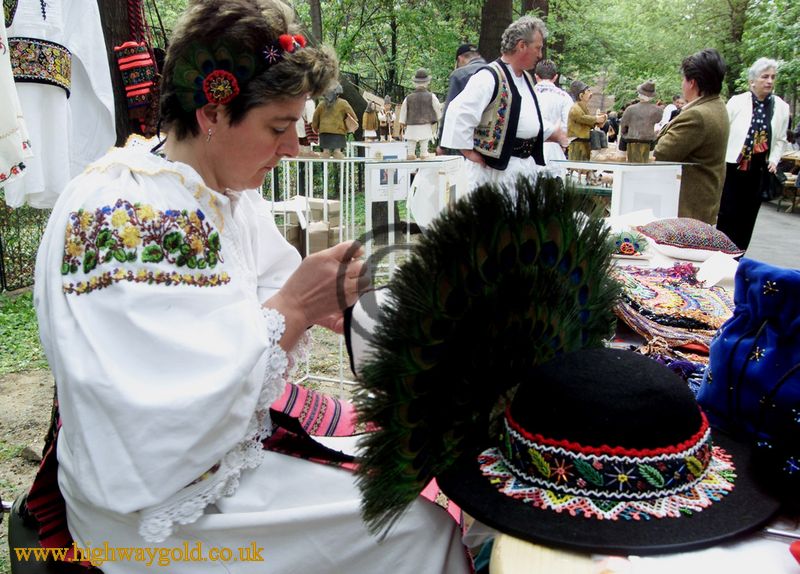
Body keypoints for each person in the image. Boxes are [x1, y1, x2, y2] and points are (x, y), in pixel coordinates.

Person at [31, 1, 471, 572]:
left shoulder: (220, 191)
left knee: (420, 471)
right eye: (278, 127)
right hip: (149, 506)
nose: (292, 147)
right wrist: (293, 308)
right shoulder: (124, 214)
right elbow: (157, 416)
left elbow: (274, 283)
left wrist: (328, 302)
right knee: (416, 527)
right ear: (214, 111)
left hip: (212, 449)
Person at [440, 16, 565, 192]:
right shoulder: (489, 77)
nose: (540, 55)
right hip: (493, 174)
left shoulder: (527, 79)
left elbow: (523, 120)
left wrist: (552, 132)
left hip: (522, 170)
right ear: (522, 46)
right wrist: (469, 153)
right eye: (538, 48)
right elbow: (457, 112)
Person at [717, 57, 790, 250]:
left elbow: (781, 139)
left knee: (747, 217)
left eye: (773, 77)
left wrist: (774, 159)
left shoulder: (781, 107)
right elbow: (722, 132)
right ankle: (720, 254)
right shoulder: (737, 102)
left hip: (759, 169)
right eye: (765, 77)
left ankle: (738, 257)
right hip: (733, 166)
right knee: (727, 214)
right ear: (753, 81)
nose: (769, 81)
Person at [654, 48, 729, 224]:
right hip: (704, 207)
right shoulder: (717, 106)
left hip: (689, 213)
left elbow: (661, 154)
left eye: (683, 79)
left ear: (692, 83)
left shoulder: (698, 115)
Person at [436, 43, 487, 155]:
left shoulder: (460, 75)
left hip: (465, 140)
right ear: (477, 55)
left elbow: (450, 110)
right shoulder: (495, 72)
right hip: (490, 140)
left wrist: (442, 144)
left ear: (460, 59)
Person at [533, 59, 573, 176]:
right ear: (555, 77)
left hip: (529, 149)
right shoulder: (564, 97)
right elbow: (568, 125)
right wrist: (564, 143)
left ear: (536, 76)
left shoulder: (527, 93)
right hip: (555, 150)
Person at [399, 68, 441, 159]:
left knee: (411, 142)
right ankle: (424, 153)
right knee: (424, 141)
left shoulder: (408, 98)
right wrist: (438, 118)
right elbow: (437, 108)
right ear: (427, 82)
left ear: (414, 83)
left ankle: (410, 153)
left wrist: (402, 121)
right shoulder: (431, 96)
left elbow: (403, 110)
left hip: (411, 124)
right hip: (425, 124)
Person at [619, 80, 663, 162]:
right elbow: (658, 120)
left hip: (632, 139)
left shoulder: (630, 109)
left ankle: (621, 157)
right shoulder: (658, 110)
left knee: (627, 155)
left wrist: (624, 133)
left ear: (640, 94)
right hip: (649, 139)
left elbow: (623, 125)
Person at [312, 82, 357, 158]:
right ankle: (337, 152)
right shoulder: (343, 103)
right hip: (338, 131)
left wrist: (315, 127)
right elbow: (352, 114)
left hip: (324, 131)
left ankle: (325, 153)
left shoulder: (321, 104)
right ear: (338, 93)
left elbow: (315, 117)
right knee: (338, 148)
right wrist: (354, 121)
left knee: (325, 149)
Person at [567, 80, 606, 161]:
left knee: (600, 133)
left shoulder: (584, 107)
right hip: (577, 137)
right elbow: (582, 118)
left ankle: (602, 151)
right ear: (581, 95)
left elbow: (588, 121)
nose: (591, 94)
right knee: (594, 135)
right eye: (588, 91)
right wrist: (596, 119)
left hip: (585, 136)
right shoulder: (575, 108)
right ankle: (595, 154)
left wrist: (598, 122)